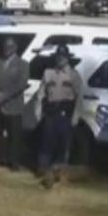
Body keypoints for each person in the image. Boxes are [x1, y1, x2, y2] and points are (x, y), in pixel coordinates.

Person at [34, 45, 84, 188]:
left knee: (63, 145)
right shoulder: (48, 73)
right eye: (58, 56)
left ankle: (59, 173)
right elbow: (40, 94)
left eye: (63, 57)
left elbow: (79, 97)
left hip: (65, 114)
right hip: (50, 113)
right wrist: (38, 111)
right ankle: (43, 171)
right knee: (46, 144)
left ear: (68, 58)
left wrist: (76, 116)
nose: (60, 59)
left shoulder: (74, 75)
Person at [0, 37, 29, 170]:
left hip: (13, 105)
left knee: (14, 136)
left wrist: (5, 95)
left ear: (16, 48)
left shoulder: (23, 64)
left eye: (10, 46)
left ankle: (13, 161)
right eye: (5, 46)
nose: (7, 49)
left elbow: (21, 84)